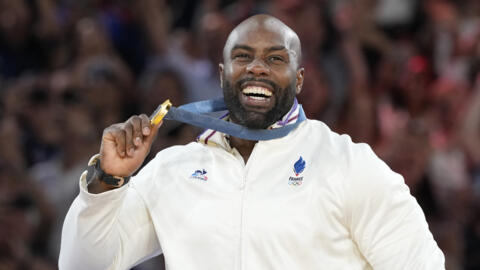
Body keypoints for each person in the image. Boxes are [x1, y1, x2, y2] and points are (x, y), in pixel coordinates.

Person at [59, 14, 445, 269]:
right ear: (224, 74)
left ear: (299, 80)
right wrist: (108, 182)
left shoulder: (348, 165)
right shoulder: (173, 170)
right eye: (243, 57)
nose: (257, 67)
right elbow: (83, 264)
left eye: (276, 59)